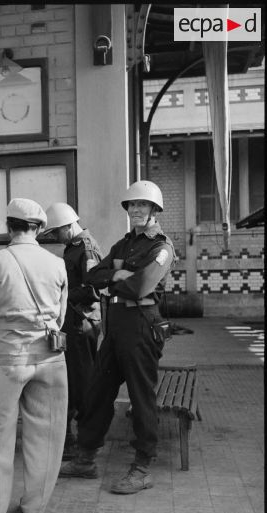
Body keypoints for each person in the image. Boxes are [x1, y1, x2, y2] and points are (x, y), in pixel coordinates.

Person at [59, 180, 175, 494]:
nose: (136, 210)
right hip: (116, 326)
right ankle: (85, 459)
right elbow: (93, 275)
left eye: (142, 205)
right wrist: (118, 275)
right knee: (97, 392)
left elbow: (141, 287)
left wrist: (116, 279)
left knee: (141, 396)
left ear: (154, 210)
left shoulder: (162, 247)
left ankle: (142, 466)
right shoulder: (123, 245)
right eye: (131, 205)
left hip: (141, 325)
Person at [0, 198, 69, 513]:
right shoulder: (57, 264)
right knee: (47, 436)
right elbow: (60, 316)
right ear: (38, 229)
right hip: (51, 357)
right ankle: (34, 508)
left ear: (9, 227)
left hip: (8, 357)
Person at [44, 203, 103, 462]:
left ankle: (84, 444)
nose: (55, 237)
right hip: (74, 324)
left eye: (57, 232)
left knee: (82, 385)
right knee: (70, 383)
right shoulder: (73, 247)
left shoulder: (86, 248)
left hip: (82, 325)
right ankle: (70, 439)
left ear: (69, 226)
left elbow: (93, 289)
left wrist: (61, 296)